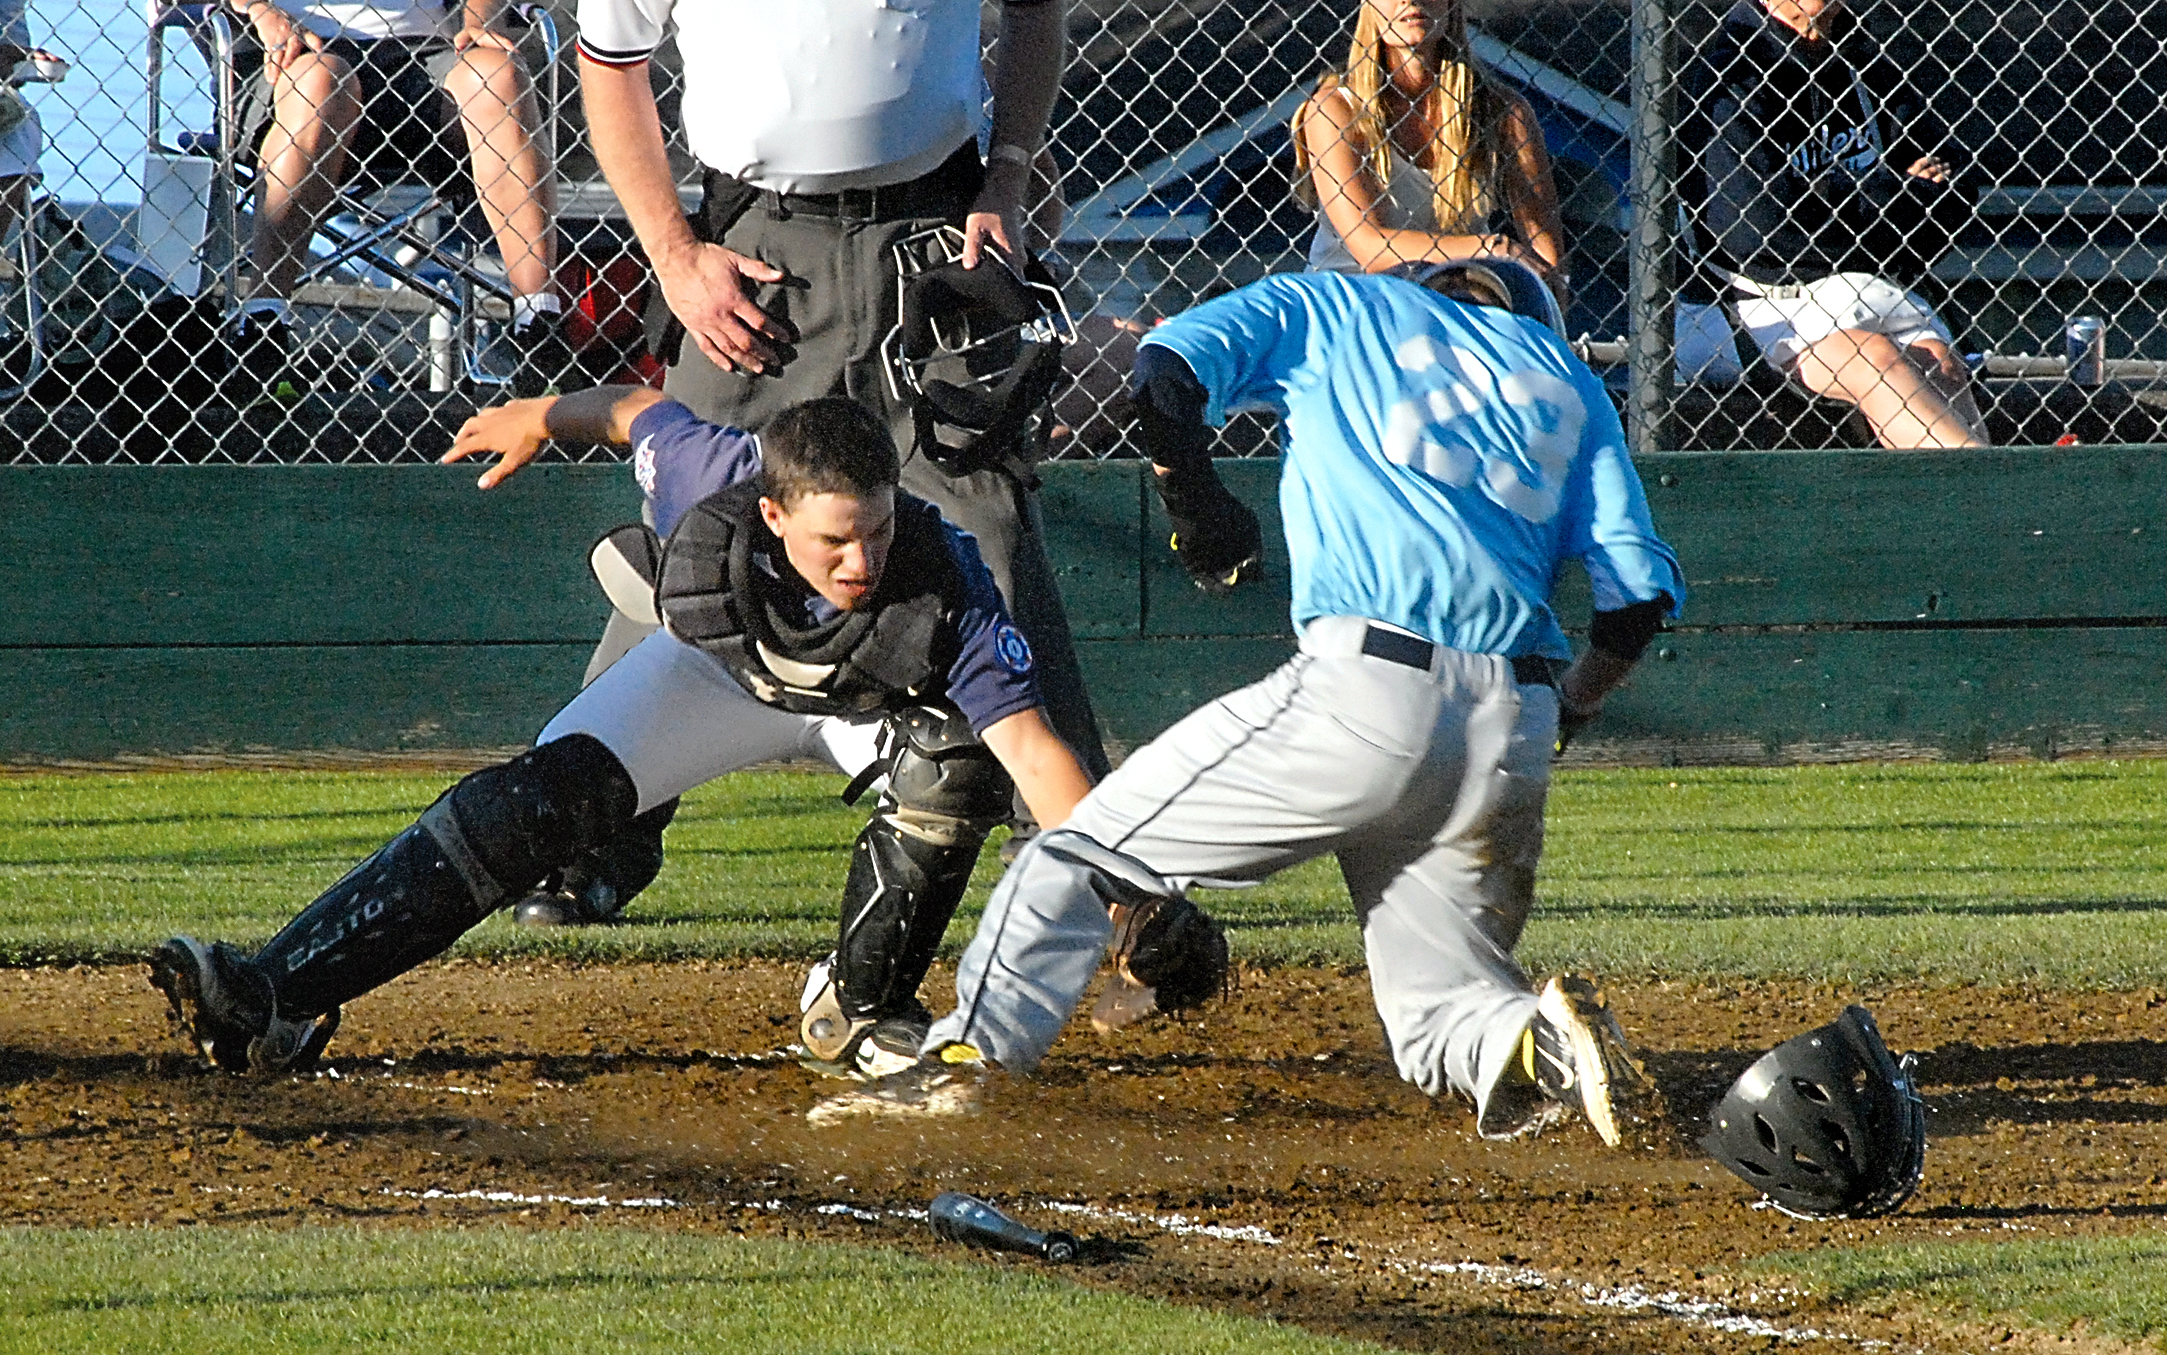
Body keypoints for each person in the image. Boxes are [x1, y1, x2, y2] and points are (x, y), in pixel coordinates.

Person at [810, 259, 1686, 1150]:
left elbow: (1163, 371)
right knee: (1442, 1010)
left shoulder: (1347, 299)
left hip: (1369, 685)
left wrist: (1196, 499)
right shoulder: (1568, 378)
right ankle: (1531, 1043)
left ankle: (965, 1066)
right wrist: (1563, 717)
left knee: (1077, 851)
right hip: (1517, 714)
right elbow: (1635, 601)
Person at [149, 388, 1096, 1083]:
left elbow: (1031, 750)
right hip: (715, 679)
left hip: (866, 714)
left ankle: (858, 1011)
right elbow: (639, 411)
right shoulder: (708, 477)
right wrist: (538, 416)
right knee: (525, 809)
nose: (862, 560)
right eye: (833, 541)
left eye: (877, 532)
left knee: (955, 757)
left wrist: (1131, 887)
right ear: (771, 512)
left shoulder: (943, 574)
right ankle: (277, 997)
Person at [558, 0, 1111, 923]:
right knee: (693, 542)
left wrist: (1008, 177)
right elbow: (612, 69)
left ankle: (1074, 867)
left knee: (988, 523)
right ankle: (590, 830)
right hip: (757, 253)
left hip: (932, 229)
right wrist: (673, 256)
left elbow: (1034, 11)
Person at [1678, 0, 1987, 449]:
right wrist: (1894, 195)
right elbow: (1760, 234)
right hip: (1753, 305)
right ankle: (1997, 509)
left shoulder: (1862, 58)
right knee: (1876, 358)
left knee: (1941, 361)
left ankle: (1979, 507)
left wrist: (1828, 199)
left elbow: (1954, 192)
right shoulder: (1731, 72)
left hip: (1863, 287)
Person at [225, 0, 571, 394]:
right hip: (297, 52)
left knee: (499, 75)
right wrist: (260, 11)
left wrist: (479, 21)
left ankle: (537, 327)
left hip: (426, 54)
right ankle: (261, 326)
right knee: (323, 82)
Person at [1291, 0, 1569, 311]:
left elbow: (1548, 260)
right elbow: (1370, 248)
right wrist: (1490, 249)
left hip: (1453, 310)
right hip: (1349, 308)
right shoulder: (1335, 109)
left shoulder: (1503, 112)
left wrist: (1545, 304)